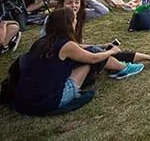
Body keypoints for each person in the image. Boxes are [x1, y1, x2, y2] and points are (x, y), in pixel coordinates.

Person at [14, 8, 142, 116]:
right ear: (68, 23)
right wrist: (112, 51)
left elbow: (78, 46)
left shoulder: (42, 42)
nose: (76, 21)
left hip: (24, 100)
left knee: (92, 51)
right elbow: (93, 58)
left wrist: (102, 45)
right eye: (74, 19)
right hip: (47, 101)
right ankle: (122, 69)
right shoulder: (67, 46)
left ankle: (121, 68)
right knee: (90, 59)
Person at [46, 0, 150, 69]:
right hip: (61, 60)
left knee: (103, 49)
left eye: (77, 2)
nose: (74, 6)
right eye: (69, 3)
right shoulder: (53, 21)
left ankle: (149, 58)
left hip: (72, 51)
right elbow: (60, 47)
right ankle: (123, 68)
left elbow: (103, 11)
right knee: (98, 52)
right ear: (62, 5)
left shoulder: (80, 15)